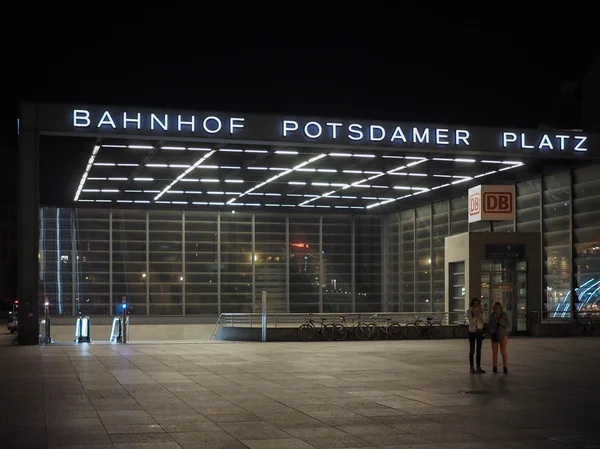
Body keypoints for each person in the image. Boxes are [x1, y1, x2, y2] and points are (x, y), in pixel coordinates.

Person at [489, 301, 510, 374]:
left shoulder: (504, 315)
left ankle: (505, 366)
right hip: (494, 335)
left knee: (503, 352)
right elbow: (490, 325)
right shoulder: (491, 315)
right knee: (494, 352)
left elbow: (508, 324)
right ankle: (494, 366)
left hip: (503, 335)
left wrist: (502, 322)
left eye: (498, 308)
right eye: (495, 308)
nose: (497, 310)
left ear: (501, 308)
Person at [467, 297, 486, 374]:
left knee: (479, 350)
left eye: (478, 304)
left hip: (479, 331)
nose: (476, 305)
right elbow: (471, 322)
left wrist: (481, 314)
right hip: (472, 332)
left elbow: (484, 321)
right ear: (472, 304)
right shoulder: (469, 311)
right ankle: (471, 367)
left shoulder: (480, 311)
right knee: (472, 350)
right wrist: (475, 315)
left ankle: (478, 367)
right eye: (475, 304)